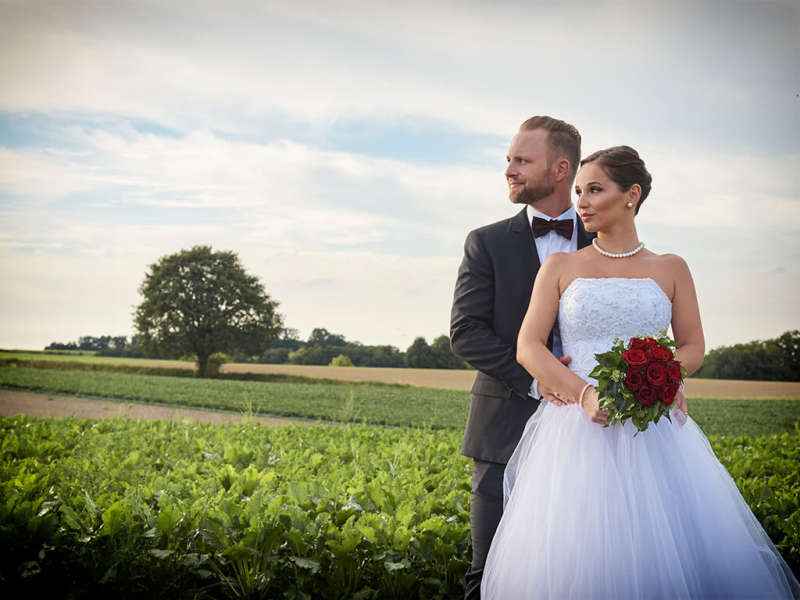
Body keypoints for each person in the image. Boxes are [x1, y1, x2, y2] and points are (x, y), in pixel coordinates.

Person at [480, 146, 800, 599]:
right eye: (578, 191)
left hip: (654, 430)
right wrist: (584, 394)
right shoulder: (560, 266)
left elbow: (693, 346)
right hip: (575, 432)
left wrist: (663, 375)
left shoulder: (671, 267)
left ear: (631, 195)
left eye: (595, 190)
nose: (581, 202)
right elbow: (528, 346)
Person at [450, 116, 659, 599]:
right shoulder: (486, 242)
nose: (509, 170)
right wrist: (537, 379)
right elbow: (466, 332)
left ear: (561, 168)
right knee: (491, 575)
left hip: (602, 437)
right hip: (505, 429)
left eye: (522, 160)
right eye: (509, 160)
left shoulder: (613, 237)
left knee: (596, 572)